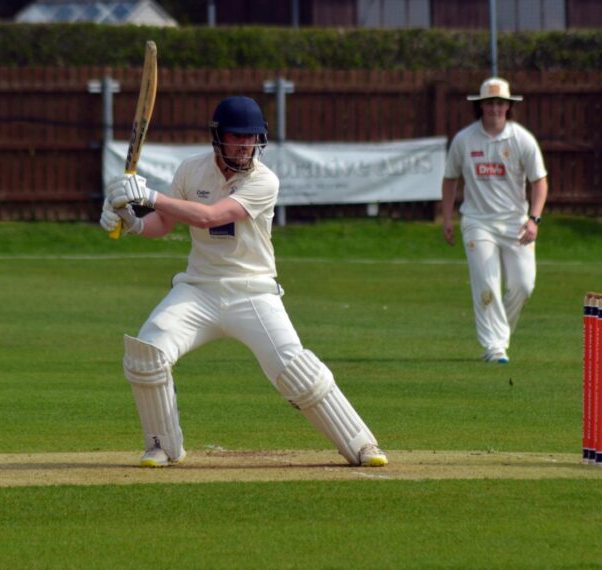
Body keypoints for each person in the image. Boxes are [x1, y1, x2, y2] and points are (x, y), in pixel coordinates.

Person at [99, 96, 387, 468]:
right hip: (198, 289)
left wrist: (150, 196)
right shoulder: (191, 170)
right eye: (237, 138)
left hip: (253, 291)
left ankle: (362, 445)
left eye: (252, 139)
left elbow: (208, 216)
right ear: (218, 138)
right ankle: (163, 446)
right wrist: (134, 221)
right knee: (146, 356)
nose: (245, 147)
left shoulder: (264, 180)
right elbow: (164, 225)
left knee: (297, 372)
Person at [441, 78, 548, 364]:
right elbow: (450, 178)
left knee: (523, 285)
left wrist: (534, 219)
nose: (495, 108)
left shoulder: (521, 139)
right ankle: (494, 346)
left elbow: (540, 182)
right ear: (480, 106)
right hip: (478, 222)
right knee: (487, 282)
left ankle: (499, 337)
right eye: (489, 103)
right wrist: (448, 218)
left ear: (509, 106)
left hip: (516, 223)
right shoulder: (464, 139)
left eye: (500, 103)